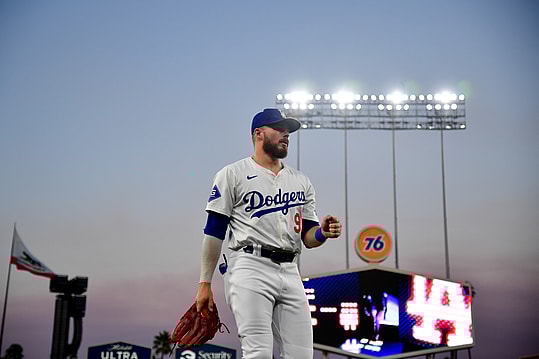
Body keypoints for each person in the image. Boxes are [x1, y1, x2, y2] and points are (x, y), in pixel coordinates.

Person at [195, 108, 342, 358]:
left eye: (288, 131)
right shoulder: (232, 174)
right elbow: (214, 231)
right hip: (249, 265)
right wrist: (204, 283)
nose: (286, 134)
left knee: (301, 355)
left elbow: (307, 236)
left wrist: (322, 233)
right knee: (259, 353)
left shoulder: (300, 181)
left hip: (290, 270)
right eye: (280, 129)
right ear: (259, 133)